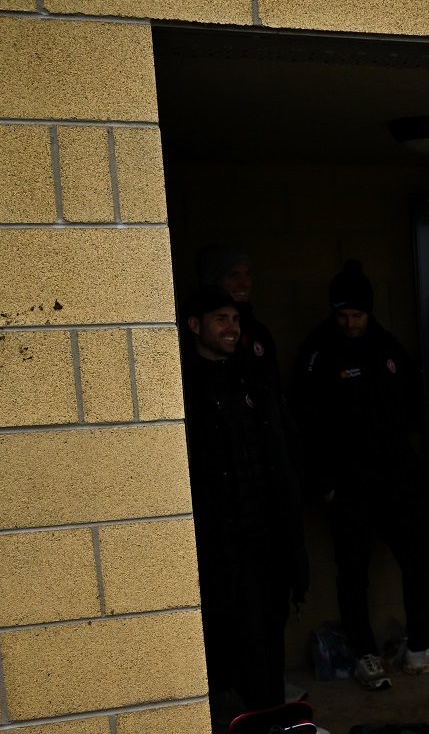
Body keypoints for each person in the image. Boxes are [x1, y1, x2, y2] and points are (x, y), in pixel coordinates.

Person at [294, 260, 429, 691]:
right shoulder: (318, 353)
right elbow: (303, 425)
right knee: (352, 573)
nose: (350, 323)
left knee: (420, 559)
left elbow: (414, 404)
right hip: (349, 488)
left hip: (397, 482)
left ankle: (420, 647)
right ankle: (364, 654)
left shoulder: (386, 347)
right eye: (343, 316)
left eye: (357, 314)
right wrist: (326, 485)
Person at [179, 286, 309, 726]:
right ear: (196, 326)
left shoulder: (254, 379)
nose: (231, 328)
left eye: (234, 319)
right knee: (220, 652)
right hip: (214, 551)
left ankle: (269, 718)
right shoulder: (181, 387)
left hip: (264, 543)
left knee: (266, 647)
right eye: (220, 319)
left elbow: (283, 456)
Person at [195, 243, 280, 381]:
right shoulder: (191, 333)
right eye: (234, 275)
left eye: (247, 274)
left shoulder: (258, 331)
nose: (245, 283)